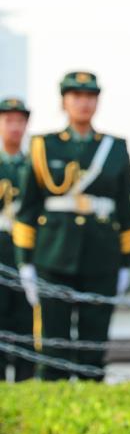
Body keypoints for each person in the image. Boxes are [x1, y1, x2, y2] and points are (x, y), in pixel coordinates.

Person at [14, 72, 130, 381]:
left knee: (94, 338)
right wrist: (25, 262)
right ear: (63, 102)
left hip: (102, 253)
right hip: (53, 254)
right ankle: (54, 394)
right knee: (53, 339)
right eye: (76, 96)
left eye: (90, 97)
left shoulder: (115, 147)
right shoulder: (43, 145)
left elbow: (124, 210)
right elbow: (28, 210)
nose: (83, 103)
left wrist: (125, 263)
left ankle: (92, 393)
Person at [0, 97, 35, 381]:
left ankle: (25, 383)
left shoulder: (34, 164)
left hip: (25, 251)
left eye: (19, 121)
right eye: (8, 120)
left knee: (26, 323)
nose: (14, 127)